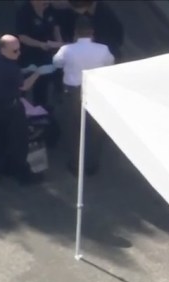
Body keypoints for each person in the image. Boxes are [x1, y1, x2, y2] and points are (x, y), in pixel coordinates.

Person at [52, 16, 114, 176]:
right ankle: (92, 164)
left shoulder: (67, 49)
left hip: (73, 92)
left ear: (75, 33)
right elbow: (110, 64)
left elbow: (56, 63)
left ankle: (75, 163)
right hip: (95, 91)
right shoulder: (103, 49)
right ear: (92, 32)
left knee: (73, 129)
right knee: (94, 129)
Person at [0, 35, 44, 186]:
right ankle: (22, 174)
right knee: (19, 142)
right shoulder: (12, 68)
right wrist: (37, 73)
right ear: (3, 49)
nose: (18, 53)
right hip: (11, 109)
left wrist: (24, 70)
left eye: (19, 50)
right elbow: (24, 86)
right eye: (15, 51)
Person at [15, 0, 63, 107]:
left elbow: (55, 26)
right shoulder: (24, 11)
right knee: (23, 86)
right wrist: (40, 44)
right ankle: (20, 109)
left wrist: (59, 41)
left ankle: (40, 110)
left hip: (45, 56)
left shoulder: (49, 8)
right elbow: (22, 37)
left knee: (42, 86)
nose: (46, 3)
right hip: (28, 55)